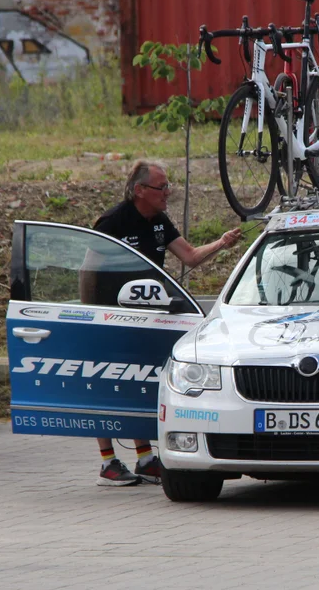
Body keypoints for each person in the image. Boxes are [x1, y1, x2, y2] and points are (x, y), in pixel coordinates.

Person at [87, 160, 243, 486]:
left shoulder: (159, 221)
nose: (168, 192)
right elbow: (87, 271)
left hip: (145, 317)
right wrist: (92, 316)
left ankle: (145, 459)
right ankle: (108, 463)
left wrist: (222, 243)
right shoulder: (113, 222)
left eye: (169, 185)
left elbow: (189, 256)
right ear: (140, 190)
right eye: (162, 187)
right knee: (109, 387)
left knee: (138, 384)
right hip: (111, 318)